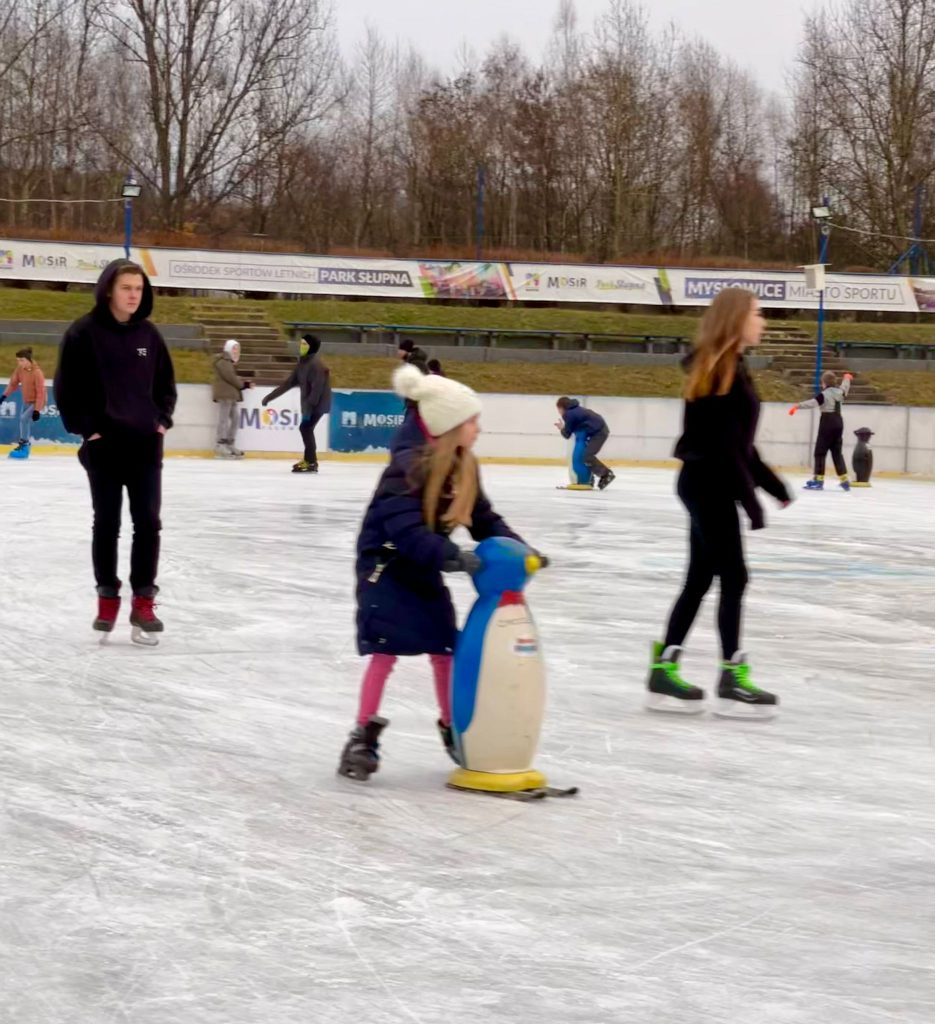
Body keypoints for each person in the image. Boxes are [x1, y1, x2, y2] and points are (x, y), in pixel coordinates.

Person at [339, 363, 530, 782]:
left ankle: (453, 727)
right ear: (449, 426)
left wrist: (520, 550)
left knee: (444, 648)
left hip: (425, 568)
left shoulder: (463, 467)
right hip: (385, 570)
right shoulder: (405, 470)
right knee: (385, 651)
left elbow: (484, 519)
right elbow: (404, 530)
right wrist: (451, 555)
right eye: (472, 421)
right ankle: (362, 735)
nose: (478, 429)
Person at [646, 287, 791, 719]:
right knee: (734, 577)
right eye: (757, 313)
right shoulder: (720, 371)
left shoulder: (729, 366)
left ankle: (664, 668)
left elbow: (740, 445)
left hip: (708, 482)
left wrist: (772, 486)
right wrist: (752, 503)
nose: (763, 321)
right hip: (710, 484)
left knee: (700, 578)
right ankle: (731, 678)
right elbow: (726, 450)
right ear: (736, 319)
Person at [54, 258, 177, 644]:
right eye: (126, 288)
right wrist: (87, 430)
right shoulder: (83, 333)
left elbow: (166, 386)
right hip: (104, 446)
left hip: (144, 446)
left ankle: (144, 600)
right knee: (107, 523)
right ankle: (107, 597)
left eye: (138, 289)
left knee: (149, 523)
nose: (133, 295)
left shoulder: (150, 336)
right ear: (109, 289)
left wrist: (161, 421)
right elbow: (66, 388)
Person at [261, 333, 331, 473]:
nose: (301, 346)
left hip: (318, 404)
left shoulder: (316, 365)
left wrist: (309, 408)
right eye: (301, 343)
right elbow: (288, 383)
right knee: (306, 429)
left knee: (306, 428)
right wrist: (270, 397)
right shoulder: (302, 364)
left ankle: (311, 462)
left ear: (311, 347)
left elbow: (317, 389)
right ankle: (309, 460)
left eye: (304, 344)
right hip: (309, 405)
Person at [789, 370, 853, 491]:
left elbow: (812, 403)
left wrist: (797, 406)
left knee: (820, 452)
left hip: (827, 422)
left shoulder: (824, 394)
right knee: (837, 453)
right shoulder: (840, 392)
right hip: (839, 422)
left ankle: (818, 480)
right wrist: (847, 378)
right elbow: (845, 387)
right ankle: (844, 480)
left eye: (822, 383)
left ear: (824, 383)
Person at [555, 397, 615, 489]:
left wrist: (562, 428)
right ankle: (589, 478)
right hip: (597, 430)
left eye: (558, 409)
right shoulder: (575, 410)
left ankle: (606, 474)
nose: (559, 412)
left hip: (599, 433)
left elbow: (567, 434)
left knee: (587, 456)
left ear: (561, 408)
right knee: (585, 455)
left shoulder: (569, 414)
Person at [1, 347, 46, 459]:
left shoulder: (37, 373)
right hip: (27, 400)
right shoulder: (20, 370)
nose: (19, 363)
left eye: (22, 360)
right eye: (18, 360)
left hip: (38, 401)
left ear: (28, 360)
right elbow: (13, 384)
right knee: (23, 422)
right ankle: (24, 445)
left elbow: (41, 393)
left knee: (24, 419)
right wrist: (4, 396)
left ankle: (25, 447)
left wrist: (37, 410)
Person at [212, 338, 253, 458]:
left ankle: (230, 444)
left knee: (235, 419)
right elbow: (230, 377)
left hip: (231, 396)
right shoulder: (223, 362)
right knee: (224, 420)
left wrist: (244, 384)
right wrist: (243, 385)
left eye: (238, 349)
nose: (236, 351)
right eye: (234, 349)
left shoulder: (229, 362)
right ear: (228, 349)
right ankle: (220, 445)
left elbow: (232, 378)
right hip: (225, 395)